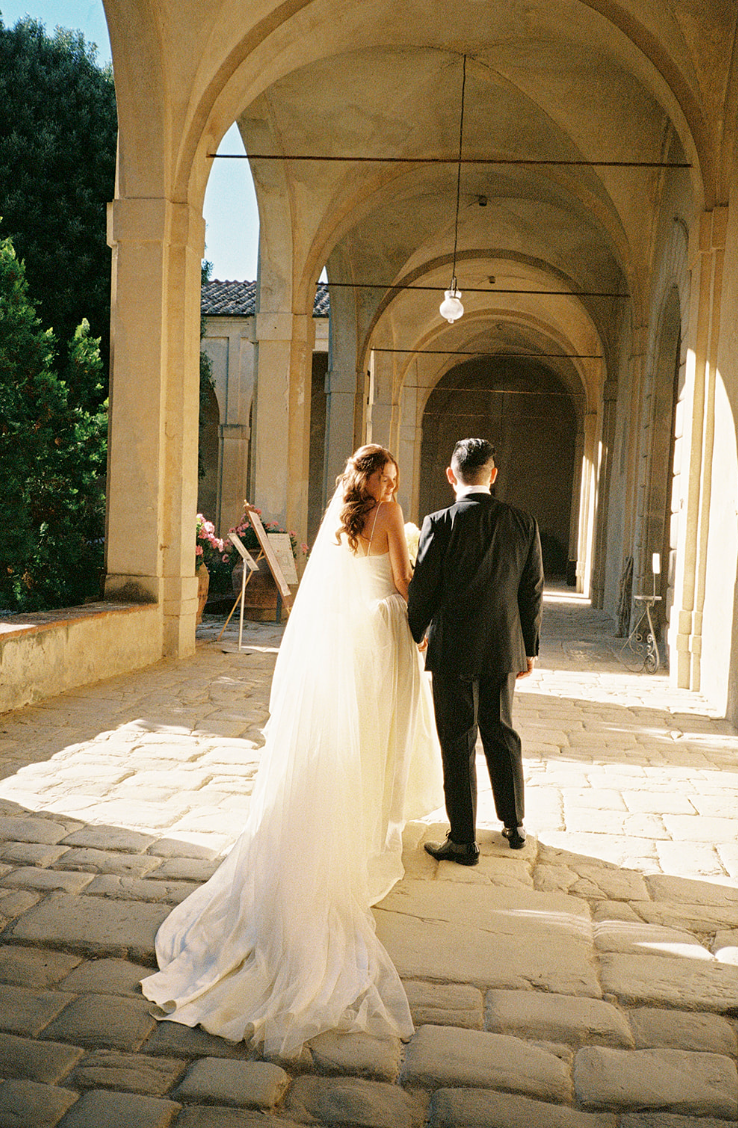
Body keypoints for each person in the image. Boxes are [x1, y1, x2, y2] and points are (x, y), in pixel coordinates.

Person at [141, 445, 443, 1057]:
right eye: (388, 478)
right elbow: (406, 584)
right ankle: (364, 830)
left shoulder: (341, 517)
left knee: (348, 736)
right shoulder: (389, 515)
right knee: (380, 733)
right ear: (375, 480)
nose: (393, 486)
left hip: (348, 640)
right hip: (384, 631)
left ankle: (341, 817)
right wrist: (424, 593)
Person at [407, 437, 544, 864]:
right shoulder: (523, 522)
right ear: (493, 475)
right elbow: (532, 591)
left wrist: (415, 632)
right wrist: (529, 647)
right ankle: (514, 825)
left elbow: (424, 587)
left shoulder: (440, 522)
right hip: (504, 646)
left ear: (451, 476)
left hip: (454, 649)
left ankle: (463, 840)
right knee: (501, 730)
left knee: (458, 739)